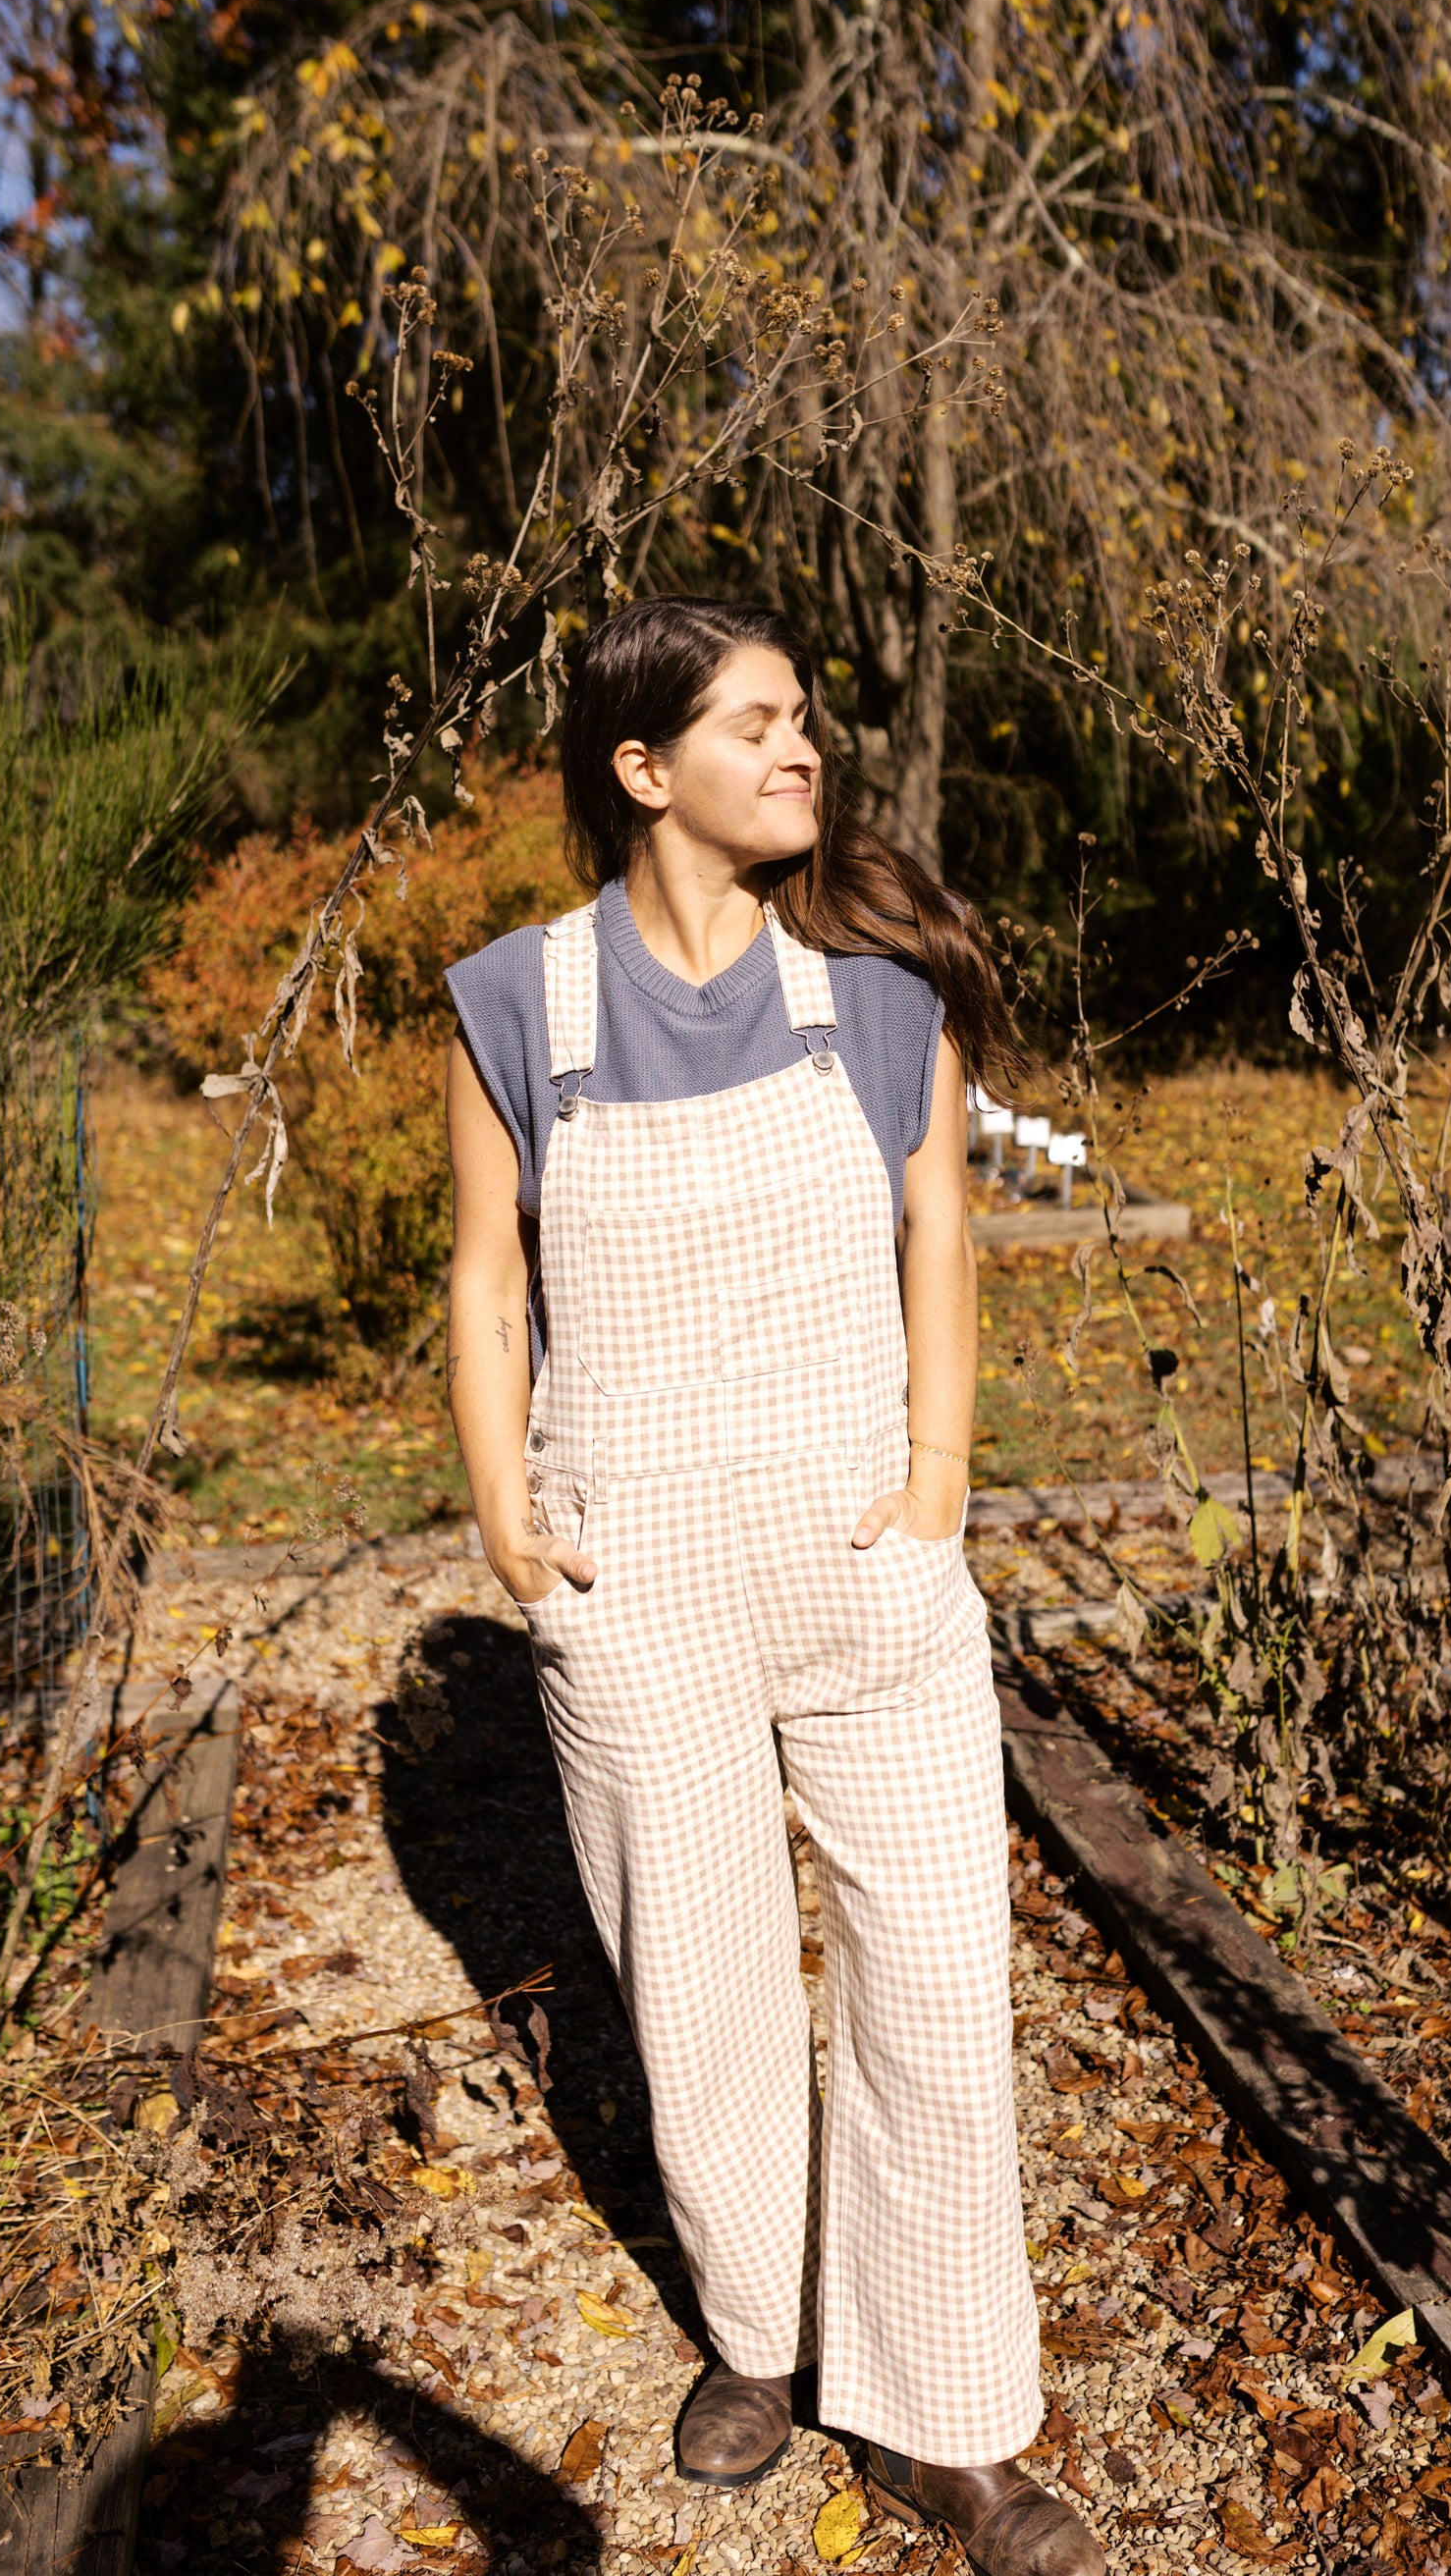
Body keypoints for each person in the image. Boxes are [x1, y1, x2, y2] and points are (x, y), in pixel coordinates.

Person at [444, 600, 1103, 2576]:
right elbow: (484, 1277)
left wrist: (936, 1480)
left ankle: (949, 2421)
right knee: (705, 1984)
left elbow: (940, 1234)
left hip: (860, 1563)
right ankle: (761, 2332)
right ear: (643, 767)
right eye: (753, 724)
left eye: (803, 717)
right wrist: (508, 1522)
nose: (800, 748)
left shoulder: (877, 996)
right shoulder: (518, 1002)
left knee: (937, 1987)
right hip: (633, 1573)